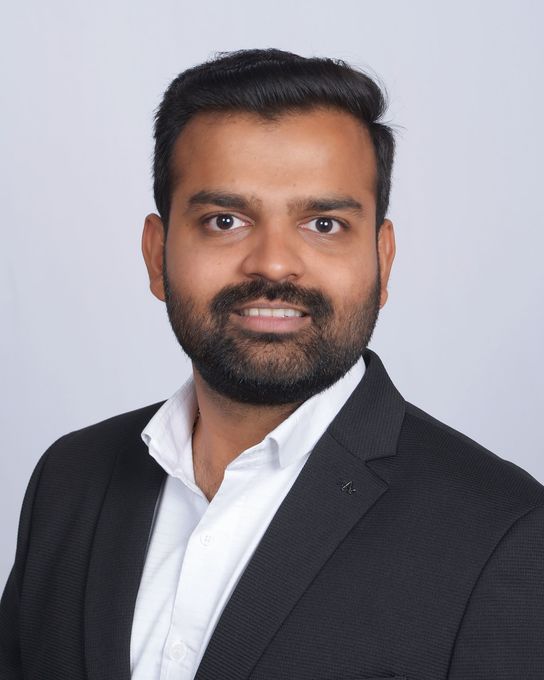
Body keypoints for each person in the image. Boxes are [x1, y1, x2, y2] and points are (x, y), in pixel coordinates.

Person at [1, 48, 543, 680]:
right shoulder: (71, 479)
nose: (274, 264)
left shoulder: (504, 535)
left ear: (383, 259)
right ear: (156, 254)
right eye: (224, 220)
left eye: (324, 223)